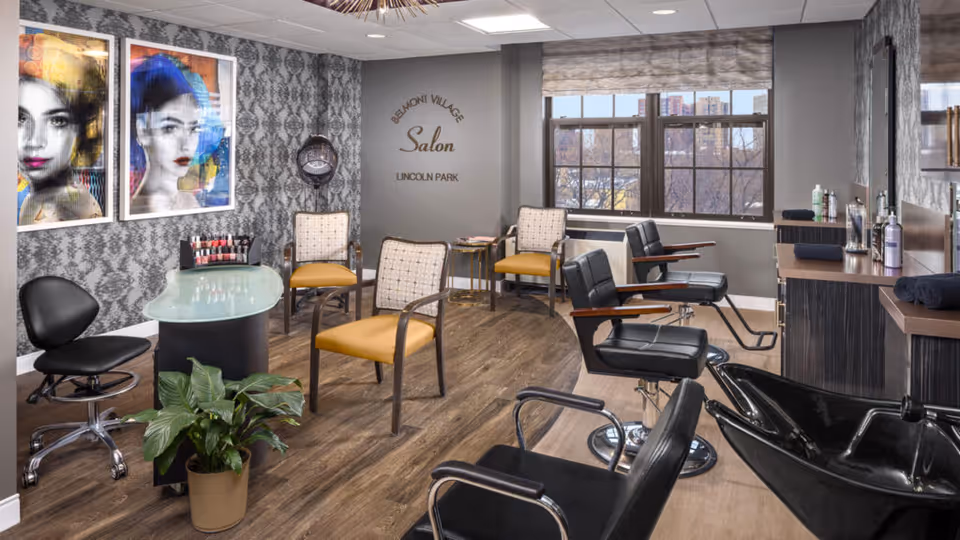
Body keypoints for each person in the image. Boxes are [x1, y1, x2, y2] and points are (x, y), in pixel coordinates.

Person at [18, 32, 106, 225]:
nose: (35, 140)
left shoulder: (77, 202)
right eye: (21, 118)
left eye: (56, 121)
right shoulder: (33, 201)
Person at [129, 53, 222, 215]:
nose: (186, 144)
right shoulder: (141, 209)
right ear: (143, 130)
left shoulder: (188, 202)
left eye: (194, 129)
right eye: (170, 128)